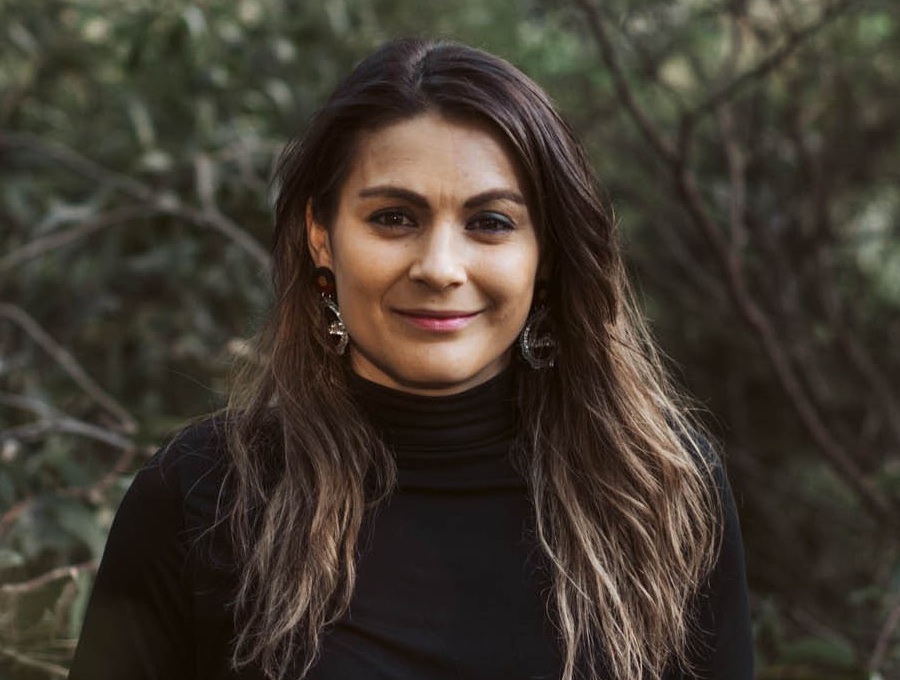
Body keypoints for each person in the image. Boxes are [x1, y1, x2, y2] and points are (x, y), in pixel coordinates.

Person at [69, 38, 752, 680]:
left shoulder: (659, 490)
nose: (440, 267)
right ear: (321, 238)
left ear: (545, 256)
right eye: (394, 217)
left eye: (491, 222)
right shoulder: (202, 496)